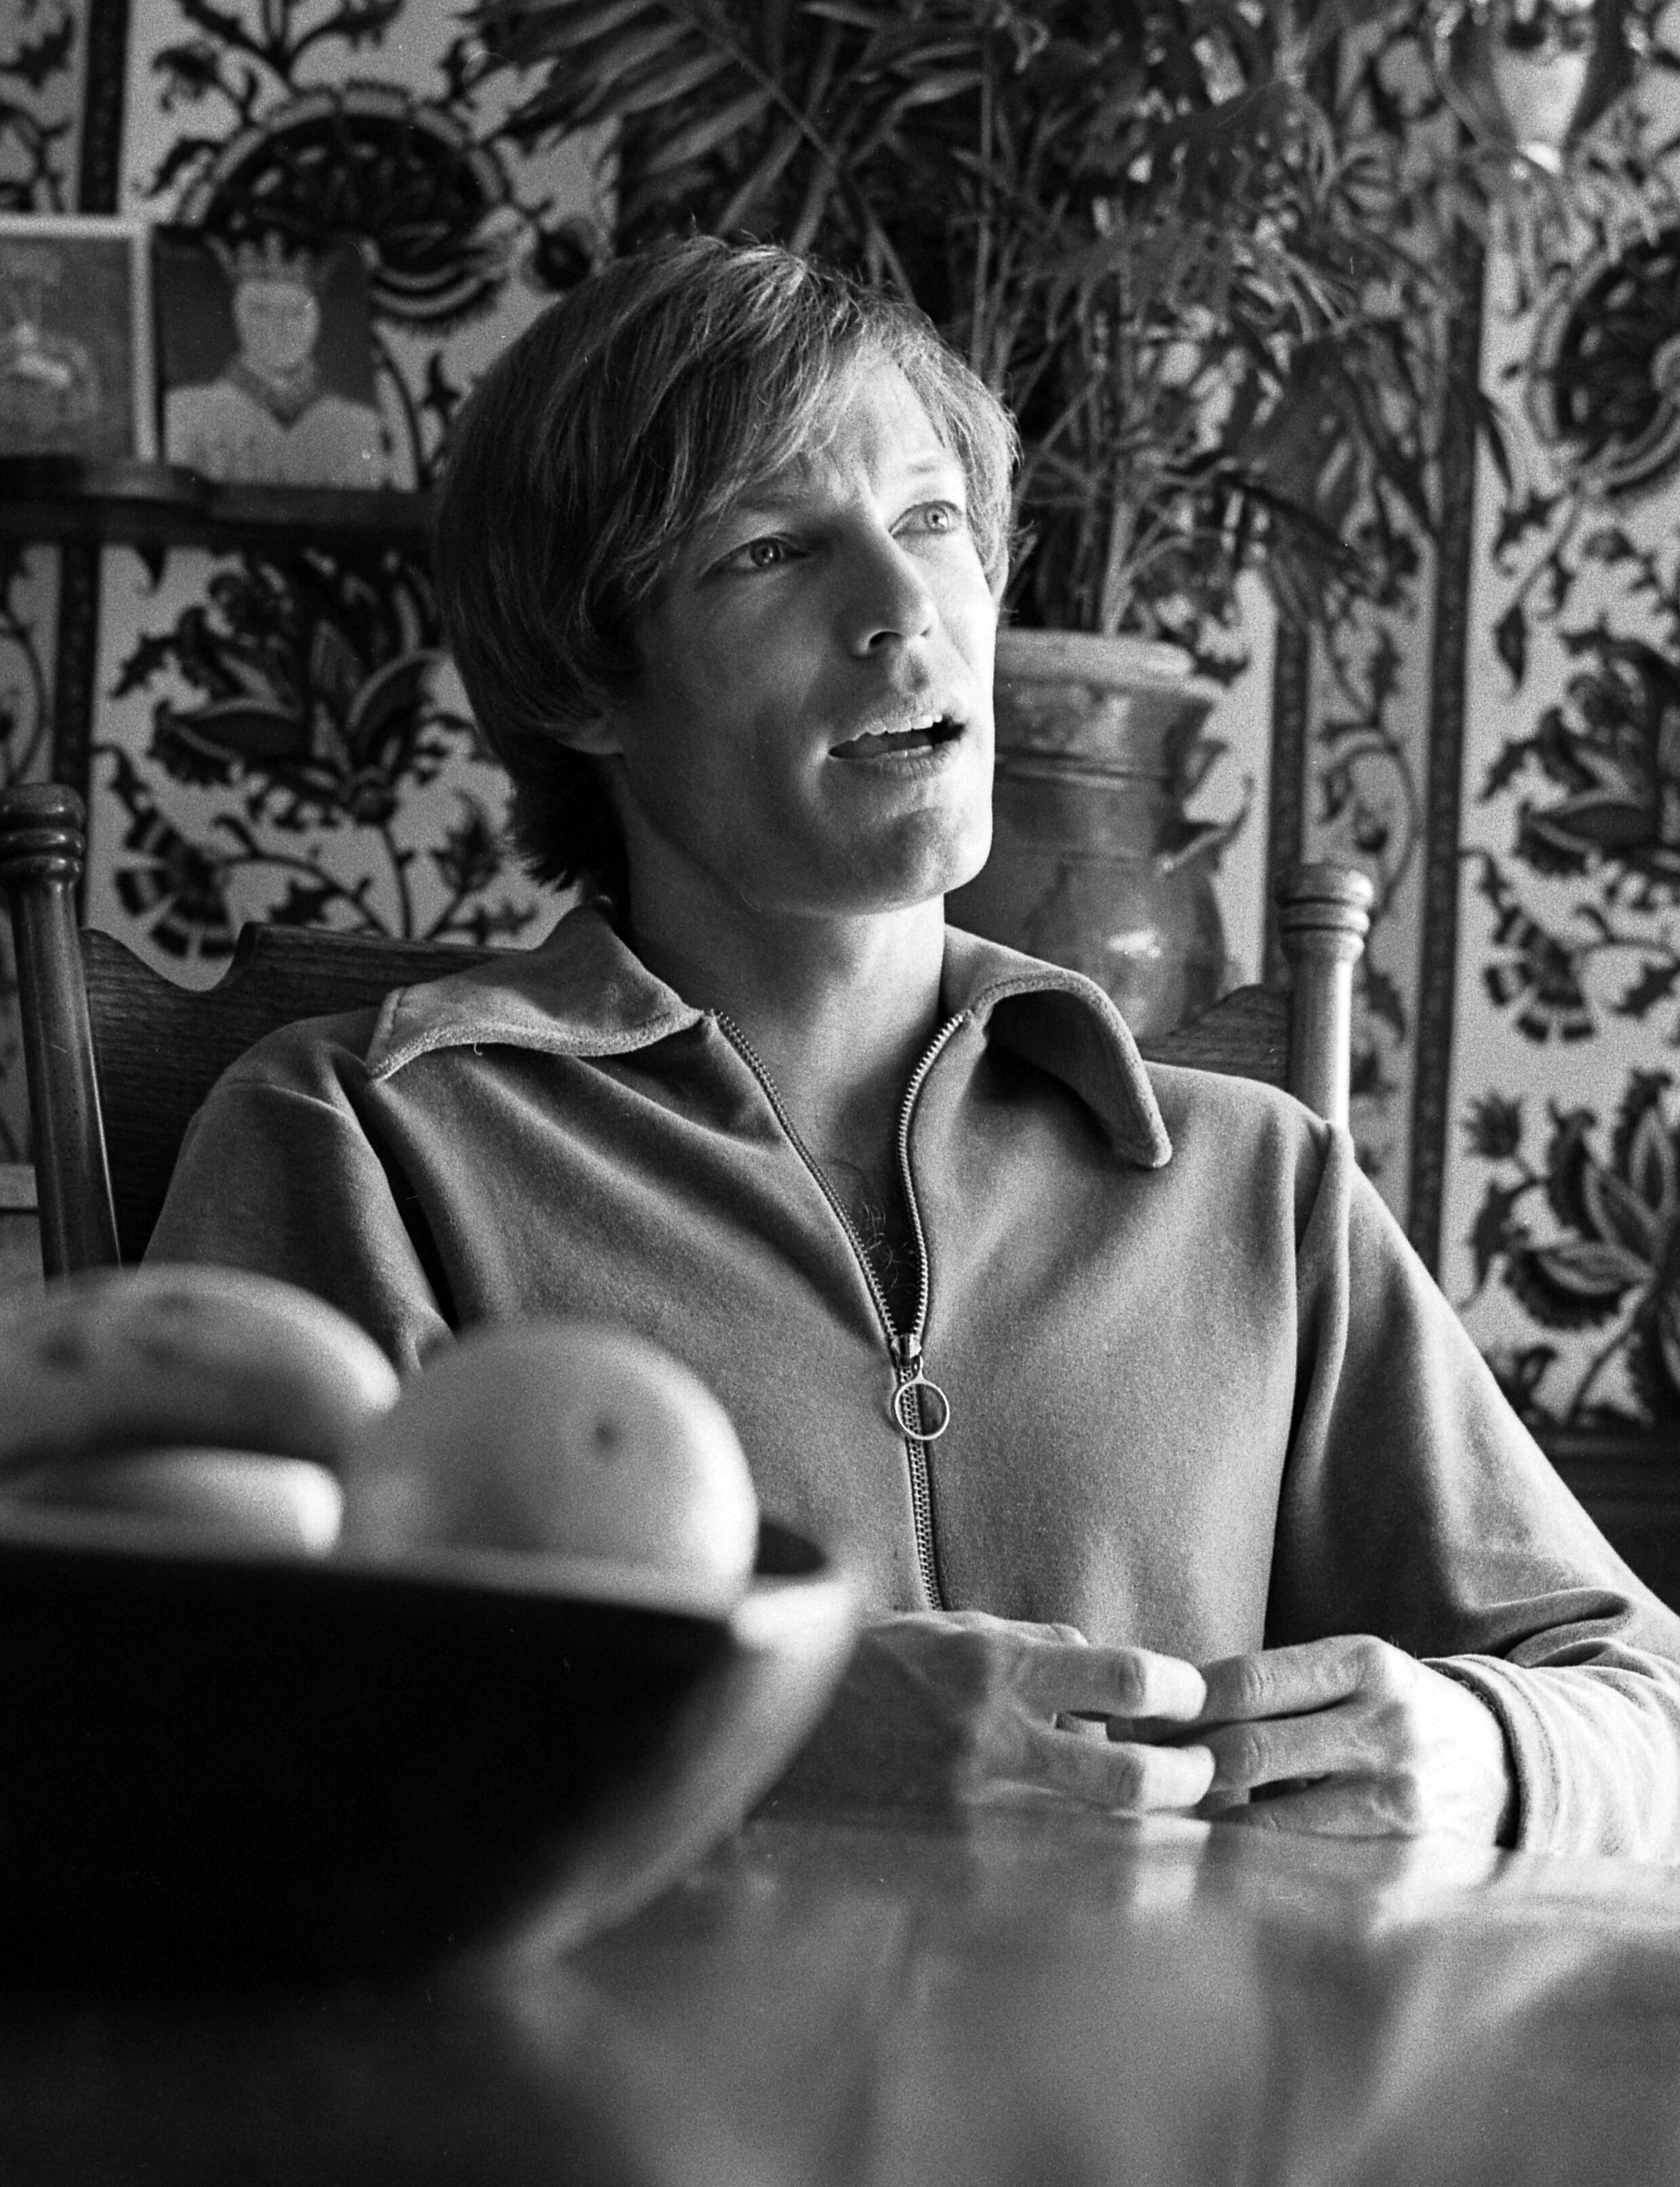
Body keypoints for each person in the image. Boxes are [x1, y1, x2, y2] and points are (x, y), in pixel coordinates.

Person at [147, 237, 1680, 1860]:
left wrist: (1480, 1746)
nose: (900, 610)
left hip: (1187, 2035)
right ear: (586, 677)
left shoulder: (1253, 1181)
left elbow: (1644, 1704)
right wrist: (775, 1730)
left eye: (932, 521)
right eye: (767, 550)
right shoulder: (368, 1136)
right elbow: (196, 1721)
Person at [163, 233, 383, 489]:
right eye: (260, 310)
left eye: (296, 312)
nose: (279, 327)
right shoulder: (185, 412)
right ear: (236, 315)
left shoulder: (359, 426)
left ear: (317, 318)